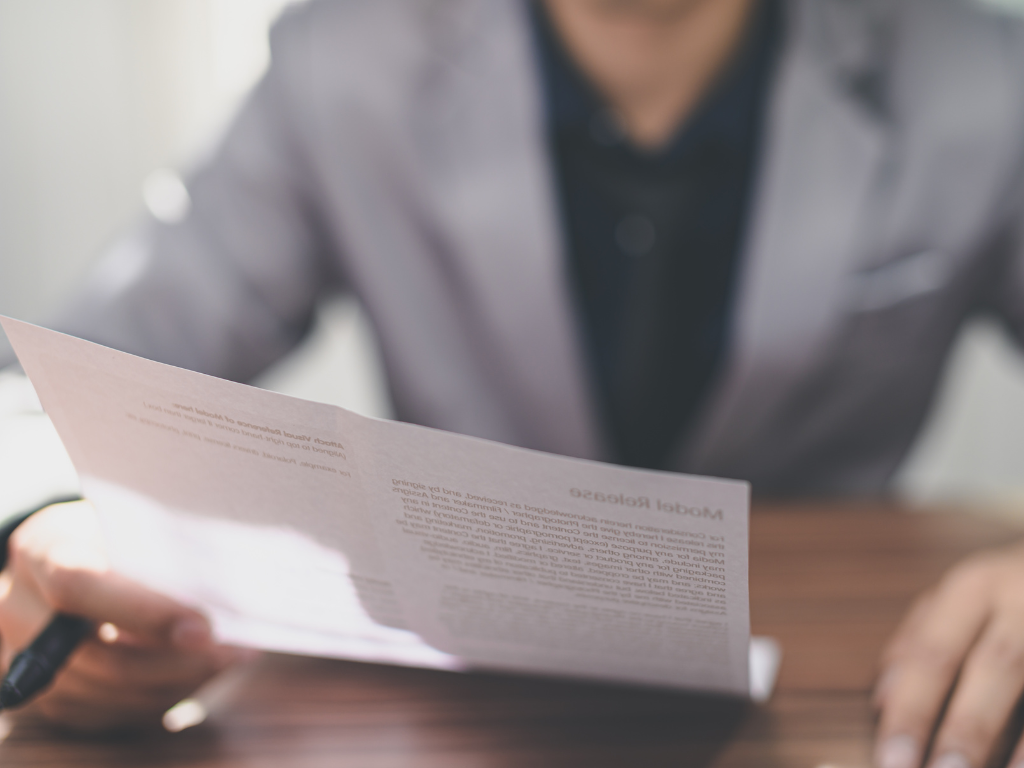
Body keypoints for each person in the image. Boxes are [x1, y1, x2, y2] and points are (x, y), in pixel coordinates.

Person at [2, 0, 1024, 765]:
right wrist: (41, 529)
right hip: (451, 721)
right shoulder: (341, 60)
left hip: (841, 702)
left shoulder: (980, 81)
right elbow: (43, 385)